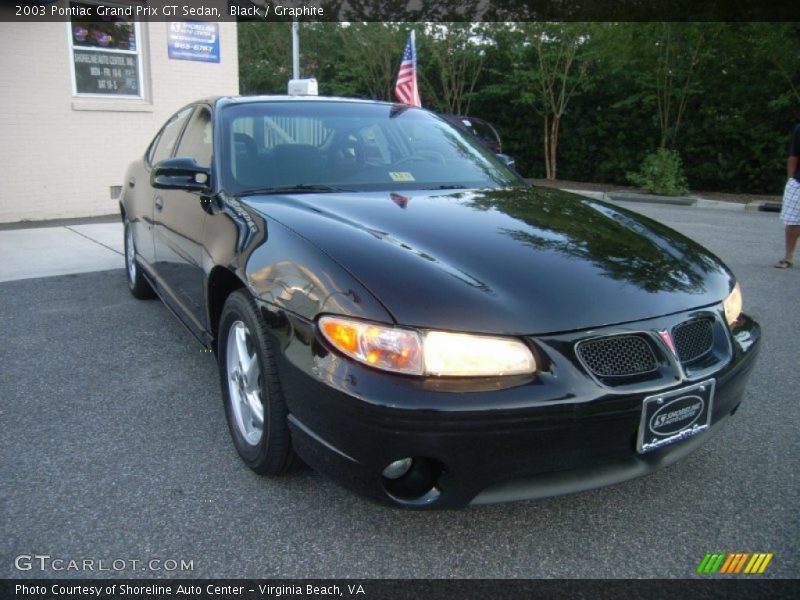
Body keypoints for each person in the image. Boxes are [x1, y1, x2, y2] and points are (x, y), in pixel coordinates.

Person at [775, 123, 800, 268]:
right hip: (798, 181)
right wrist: (790, 181)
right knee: (793, 221)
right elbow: (794, 157)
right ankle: (788, 257)